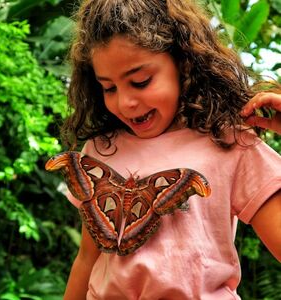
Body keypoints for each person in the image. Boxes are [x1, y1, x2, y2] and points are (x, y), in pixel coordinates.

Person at [59, 0, 281, 299]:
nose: (125, 102)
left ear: (184, 63)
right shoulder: (101, 149)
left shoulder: (227, 142)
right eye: (109, 88)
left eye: (140, 81)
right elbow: (88, 257)